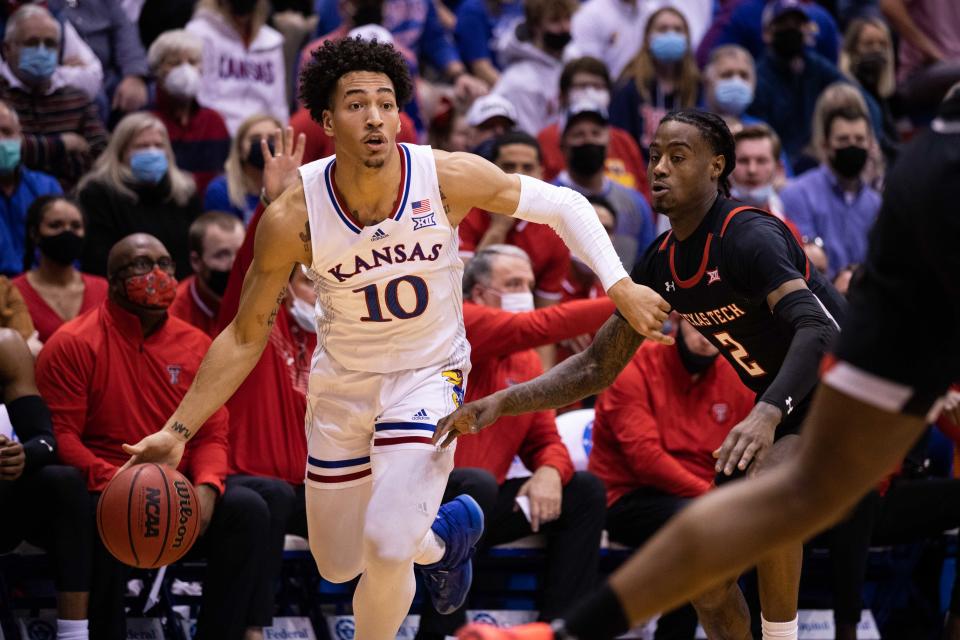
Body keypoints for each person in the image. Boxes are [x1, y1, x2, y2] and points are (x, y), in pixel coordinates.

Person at [118, 36, 670, 640]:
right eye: (356, 104)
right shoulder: (293, 216)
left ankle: (414, 551)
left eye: (386, 102)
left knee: (384, 548)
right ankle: (443, 541)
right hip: (342, 388)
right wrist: (177, 432)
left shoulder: (446, 176)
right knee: (339, 562)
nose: (375, 115)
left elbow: (563, 204)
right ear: (327, 120)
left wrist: (618, 284)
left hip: (427, 375)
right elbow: (245, 335)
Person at [440, 109, 848, 640]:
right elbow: (595, 365)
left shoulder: (749, 234)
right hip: (785, 402)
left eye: (678, 158)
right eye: (654, 156)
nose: (659, 168)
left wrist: (766, 413)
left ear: (715, 166)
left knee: (769, 488)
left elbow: (818, 327)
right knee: (706, 582)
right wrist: (503, 402)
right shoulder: (660, 263)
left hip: (844, 390)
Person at [36, 233, 276, 640]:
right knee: (113, 511)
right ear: (112, 279)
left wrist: (205, 488)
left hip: (178, 486)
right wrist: (120, 483)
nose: (159, 275)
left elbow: (213, 433)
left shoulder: (199, 345)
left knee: (248, 507)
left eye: (166, 264)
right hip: (106, 481)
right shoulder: (72, 343)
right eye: (143, 266)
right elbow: (64, 438)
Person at [416, 245, 612, 640]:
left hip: (483, 507)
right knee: (475, 485)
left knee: (584, 491)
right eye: (512, 284)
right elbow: (537, 326)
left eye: (529, 284)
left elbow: (545, 439)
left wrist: (550, 471)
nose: (525, 292)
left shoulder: (525, 361)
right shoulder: (457, 325)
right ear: (476, 294)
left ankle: (559, 629)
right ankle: (443, 632)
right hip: (423, 496)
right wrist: (626, 302)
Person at [590, 319, 755, 639]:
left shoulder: (737, 372)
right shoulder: (635, 364)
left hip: (703, 498)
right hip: (629, 496)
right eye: (698, 325)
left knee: (756, 529)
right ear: (679, 320)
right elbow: (645, 459)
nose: (706, 338)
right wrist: (712, 498)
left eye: (716, 331)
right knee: (702, 526)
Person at [0, 329, 92, 640]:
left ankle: (74, 634)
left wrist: (21, 455)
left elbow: (45, 439)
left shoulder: (6, 347)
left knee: (64, 481)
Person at [746, 0, 882, 171]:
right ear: (767, 33)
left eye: (798, 24)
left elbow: (865, 101)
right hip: (778, 166)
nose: (792, 30)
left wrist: (869, 142)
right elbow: (760, 137)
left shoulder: (814, 65)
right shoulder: (758, 78)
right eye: (783, 24)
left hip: (818, 158)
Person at [78, 112, 200, 280]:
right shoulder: (98, 193)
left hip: (180, 294)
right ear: (121, 151)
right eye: (142, 146)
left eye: (158, 145)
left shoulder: (184, 191)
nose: (152, 152)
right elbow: (99, 260)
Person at [0, 5, 108, 191]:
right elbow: (6, 151)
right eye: (32, 43)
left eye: (50, 44)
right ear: (7, 48)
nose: (42, 51)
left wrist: (33, 149)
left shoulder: (76, 98)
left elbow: (102, 154)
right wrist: (63, 144)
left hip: (71, 201)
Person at [457, 131, 569, 309]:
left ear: (541, 173)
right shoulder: (465, 210)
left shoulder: (555, 228)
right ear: (491, 170)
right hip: (469, 317)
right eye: (509, 166)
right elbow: (460, 288)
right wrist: (498, 228)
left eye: (527, 167)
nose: (519, 175)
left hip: (524, 321)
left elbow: (546, 309)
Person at [779, 86, 881, 279]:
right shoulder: (798, 193)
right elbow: (803, 265)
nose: (852, 146)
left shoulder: (875, 203)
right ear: (825, 145)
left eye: (859, 139)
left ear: (870, 144)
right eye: (843, 140)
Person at [553, 99, 656, 273]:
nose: (588, 140)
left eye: (596, 133)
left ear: (608, 142)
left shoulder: (635, 204)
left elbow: (649, 268)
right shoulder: (548, 198)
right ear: (563, 144)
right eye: (578, 134)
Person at [538, 57, 649, 194]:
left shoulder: (624, 141)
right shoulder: (547, 139)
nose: (590, 92)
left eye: (598, 87)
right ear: (563, 95)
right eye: (582, 86)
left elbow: (642, 191)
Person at [13, 197, 107, 344]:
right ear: (34, 233)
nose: (67, 232)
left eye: (76, 226)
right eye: (55, 225)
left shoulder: (103, 289)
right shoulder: (12, 292)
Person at [610, 7, 701, 160]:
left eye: (678, 30)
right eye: (663, 29)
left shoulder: (697, 88)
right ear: (647, 38)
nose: (671, 35)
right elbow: (619, 143)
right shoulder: (628, 88)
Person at [149, 29, 231, 197]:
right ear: (157, 70)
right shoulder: (146, 122)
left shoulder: (214, 121)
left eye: (192, 62)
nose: (185, 69)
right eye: (175, 63)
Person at [186, 0, 288, 135]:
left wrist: (282, 135)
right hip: (219, 133)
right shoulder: (200, 33)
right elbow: (202, 97)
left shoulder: (272, 40)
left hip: (263, 133)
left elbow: (278, 103)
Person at [490, 0, 578, 135]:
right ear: (536, 26)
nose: (565, 27)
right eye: (555, 21)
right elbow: (530, 139)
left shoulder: (574, 59)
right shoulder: (520, 80)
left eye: (567, 18)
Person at [54, 0, 150, 118]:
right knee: (96, 100)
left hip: (109, 75)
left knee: (148, 94)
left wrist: (134, 75)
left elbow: (126, 33)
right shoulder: (49, 5)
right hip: (68, 74)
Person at [0, 100, 62, 276]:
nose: (1, 141)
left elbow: (65, 250)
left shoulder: (46, 186)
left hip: (44, 288)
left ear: (20, 137)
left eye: (7, 132)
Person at [169, 212, 245, 337]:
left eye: (240, 252)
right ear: (196, 262)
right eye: (222, 255)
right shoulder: (174, 314)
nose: (235, 265)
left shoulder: (260, 296)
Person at [838, 16, 900, 161]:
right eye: (868, 44)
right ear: (852, 50)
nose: (877, 50)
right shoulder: (846, 93)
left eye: (882, 44)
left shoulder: (883, 94)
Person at [204, 113, 282, 223]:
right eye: (255, 139)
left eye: (272, 139)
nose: (264, 144)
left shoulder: (292, 191)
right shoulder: (220, 191)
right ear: (240, 149)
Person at [453, 0, 524, 86]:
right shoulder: (473, 9)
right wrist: (516, 92)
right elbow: (481, 68)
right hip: (497, 88)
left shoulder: (523, 5)